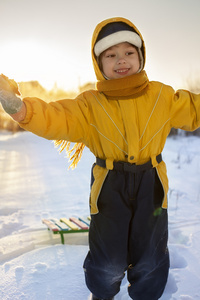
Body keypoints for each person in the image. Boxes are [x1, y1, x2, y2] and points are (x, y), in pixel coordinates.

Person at [0, 16, 200, 300]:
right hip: (110, 186)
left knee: (151, 254)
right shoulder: (90, 105)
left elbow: (193, 109)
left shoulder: (161, 95)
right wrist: (21, 108)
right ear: (99, 63)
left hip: (151, 184)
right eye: (111, 54)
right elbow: (57, 118)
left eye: (129, 52)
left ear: (141, 56)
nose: (122, 60)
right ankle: (102, 293)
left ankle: (148, 294)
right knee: (108, 257)